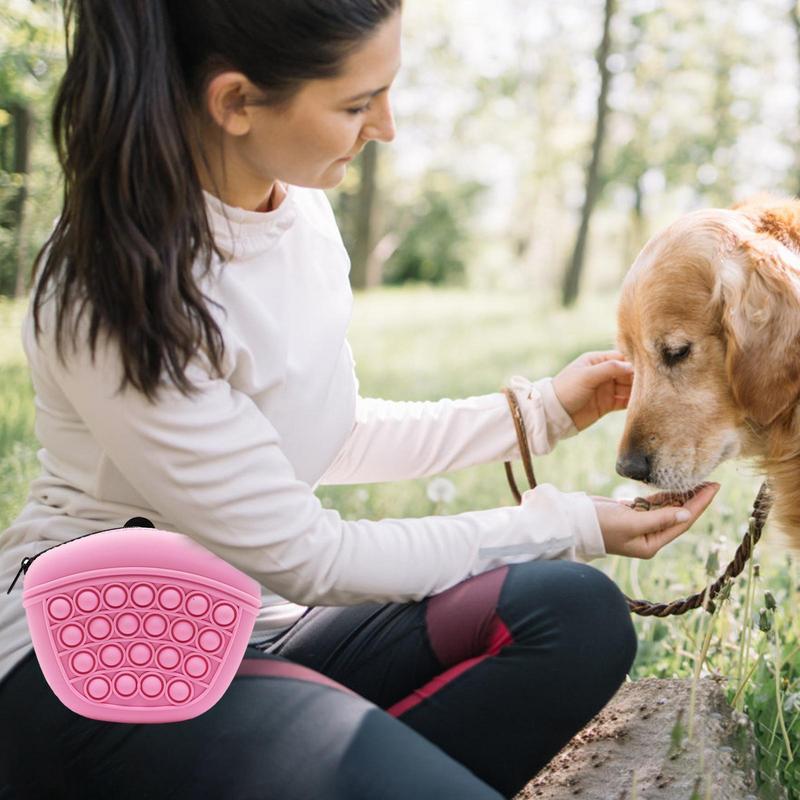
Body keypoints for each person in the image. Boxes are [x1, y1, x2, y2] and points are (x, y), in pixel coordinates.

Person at [0, 2, 720, 798]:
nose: (387, 126)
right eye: (355, 104)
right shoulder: (112, 287)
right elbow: (311, 554)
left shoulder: (297, 209)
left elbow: (321, 435)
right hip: (107, 647)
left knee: (574, 616)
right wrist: (567, 523)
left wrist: (538, 412)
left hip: (263, 628)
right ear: (237, 103)